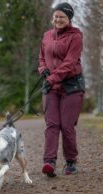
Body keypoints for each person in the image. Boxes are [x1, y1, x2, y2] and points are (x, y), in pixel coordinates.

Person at [38, 2, 85, 177]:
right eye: (56, 16)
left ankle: (71, 162)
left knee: (66, 125)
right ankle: (49, 162)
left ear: (69, 18)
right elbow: (41, 57)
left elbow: (69, 63)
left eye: (62, 17)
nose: (58, 19)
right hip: (51, 86)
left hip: (72, 86)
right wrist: (43, 70)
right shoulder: (47, 36)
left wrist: (53, 78)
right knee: (52, 124)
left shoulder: (76, 36)